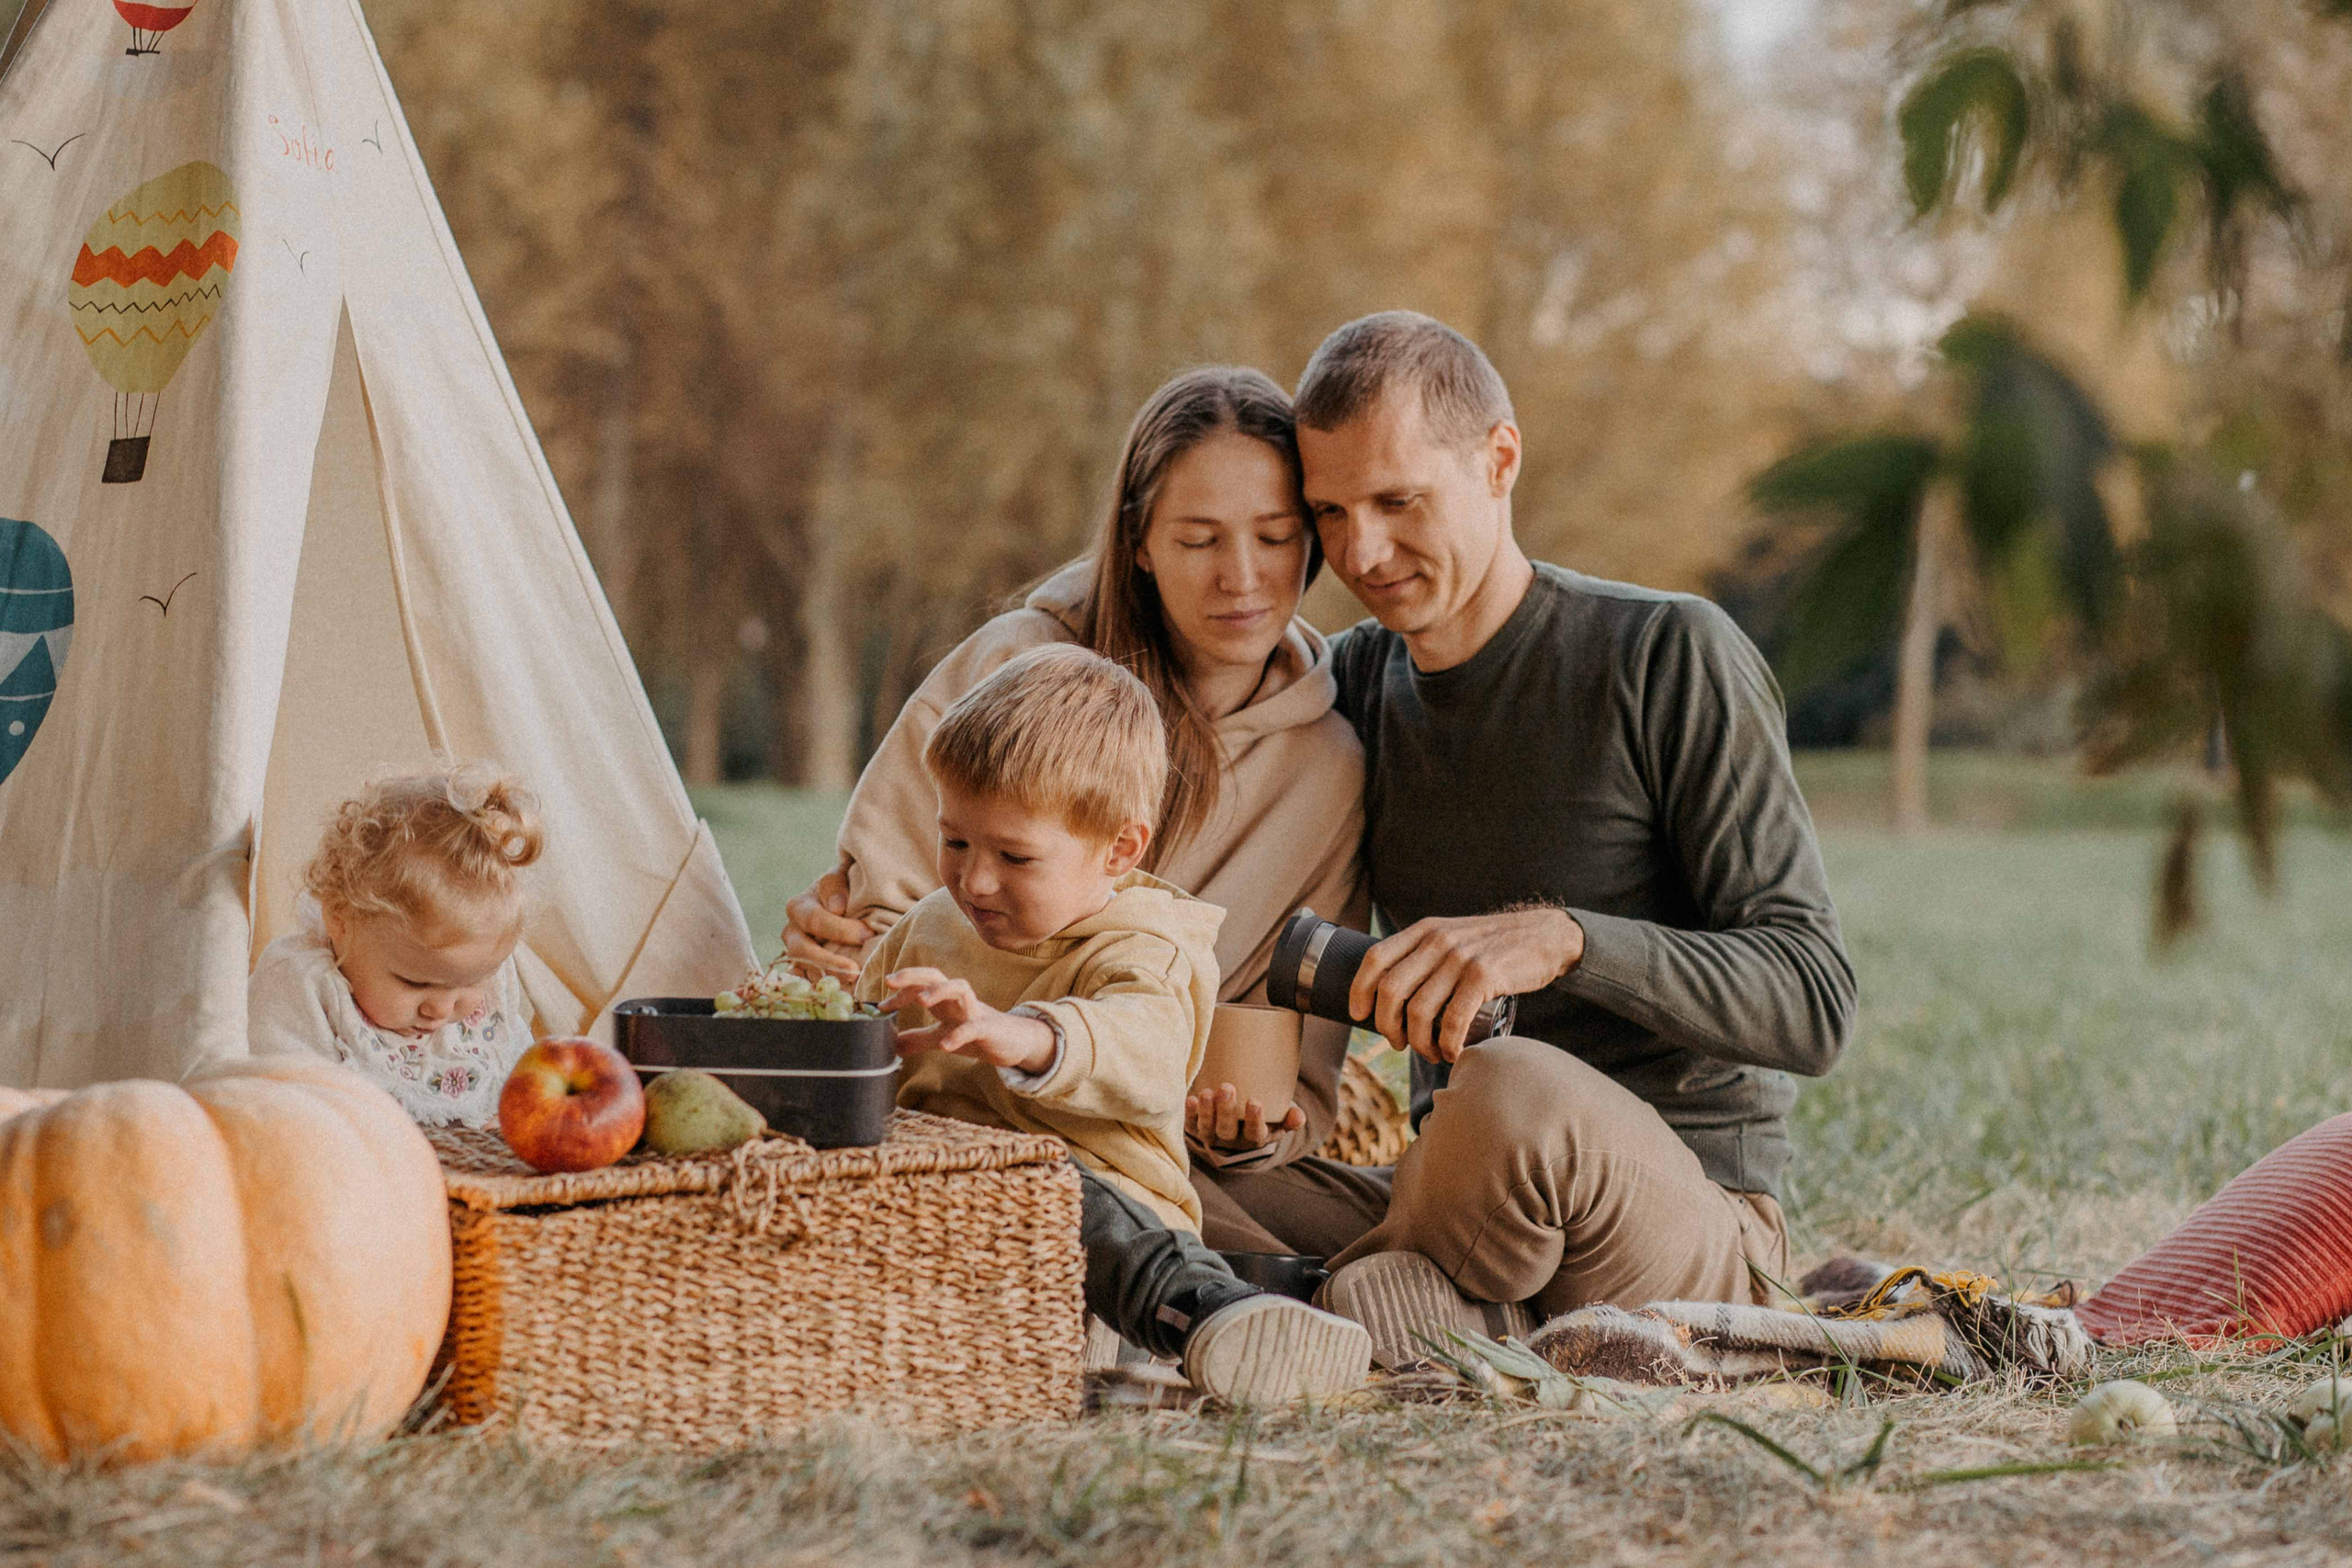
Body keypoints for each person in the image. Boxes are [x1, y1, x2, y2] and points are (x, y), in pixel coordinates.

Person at [1240, 311, 1859, 1366]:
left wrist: (1566, 939)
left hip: (1679, 1215)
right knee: (1149, 1167)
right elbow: (1157, 630)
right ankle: (1447, 1319)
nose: (1360, 553)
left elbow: (1812, 999)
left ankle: (1341, 1303)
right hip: (1463, 1199)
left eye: (1398, 502)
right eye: (1328, 513)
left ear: (1499, 460)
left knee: (1505, 1089)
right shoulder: (1346, 683)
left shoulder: (1667, 653)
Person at [786, 366, 1369, 1250]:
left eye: (1276, 536)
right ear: (1137, 541)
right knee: (1212, 1255)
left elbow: (1298, 1075)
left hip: (1153, 1145)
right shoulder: (1015, 667)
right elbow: (871, 933)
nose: (1242, 577)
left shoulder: (1328, 766)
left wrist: (1248, 1129)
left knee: (1302, 1240)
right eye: (1199, 539)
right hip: (955, 1122)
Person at [855, 644, 1370, 1404]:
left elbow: (1145, 1046)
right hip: (948, 1199)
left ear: (1119, 849)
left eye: (1016, 856)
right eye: (955, 839)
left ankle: (1211, 1315)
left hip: (1097, 1226)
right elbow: (867, 1036)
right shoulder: (931, 924)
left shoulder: (1149, 947)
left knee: (1065, 1194)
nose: (975, 878)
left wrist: (1027, 1035)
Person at [248, 761, 543, 1125]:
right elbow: (283, 1113)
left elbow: (525, 1080)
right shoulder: (302, 985)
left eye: (470, 982)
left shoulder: (485, 971)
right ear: (339, 918)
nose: (442, 1008)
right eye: (415, 983)